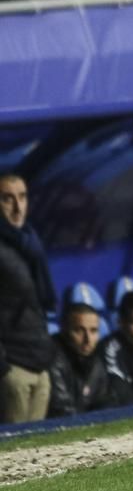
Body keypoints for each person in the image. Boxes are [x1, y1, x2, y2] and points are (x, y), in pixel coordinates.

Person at [0, 172, 58, 424]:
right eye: (7, 198)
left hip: (38, 360)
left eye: (22, 197)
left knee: (38, 455)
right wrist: (4, 370)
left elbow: (41, 302)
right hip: (13, 367)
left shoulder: (30, 241)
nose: (17, 206)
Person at [47, 303, 111, 418]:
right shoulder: (52, 358)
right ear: (63, 329)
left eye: (93, 331)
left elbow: (105, 404)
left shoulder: (96, 362)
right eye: (79, 330)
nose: (88, 339)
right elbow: (62, 411)